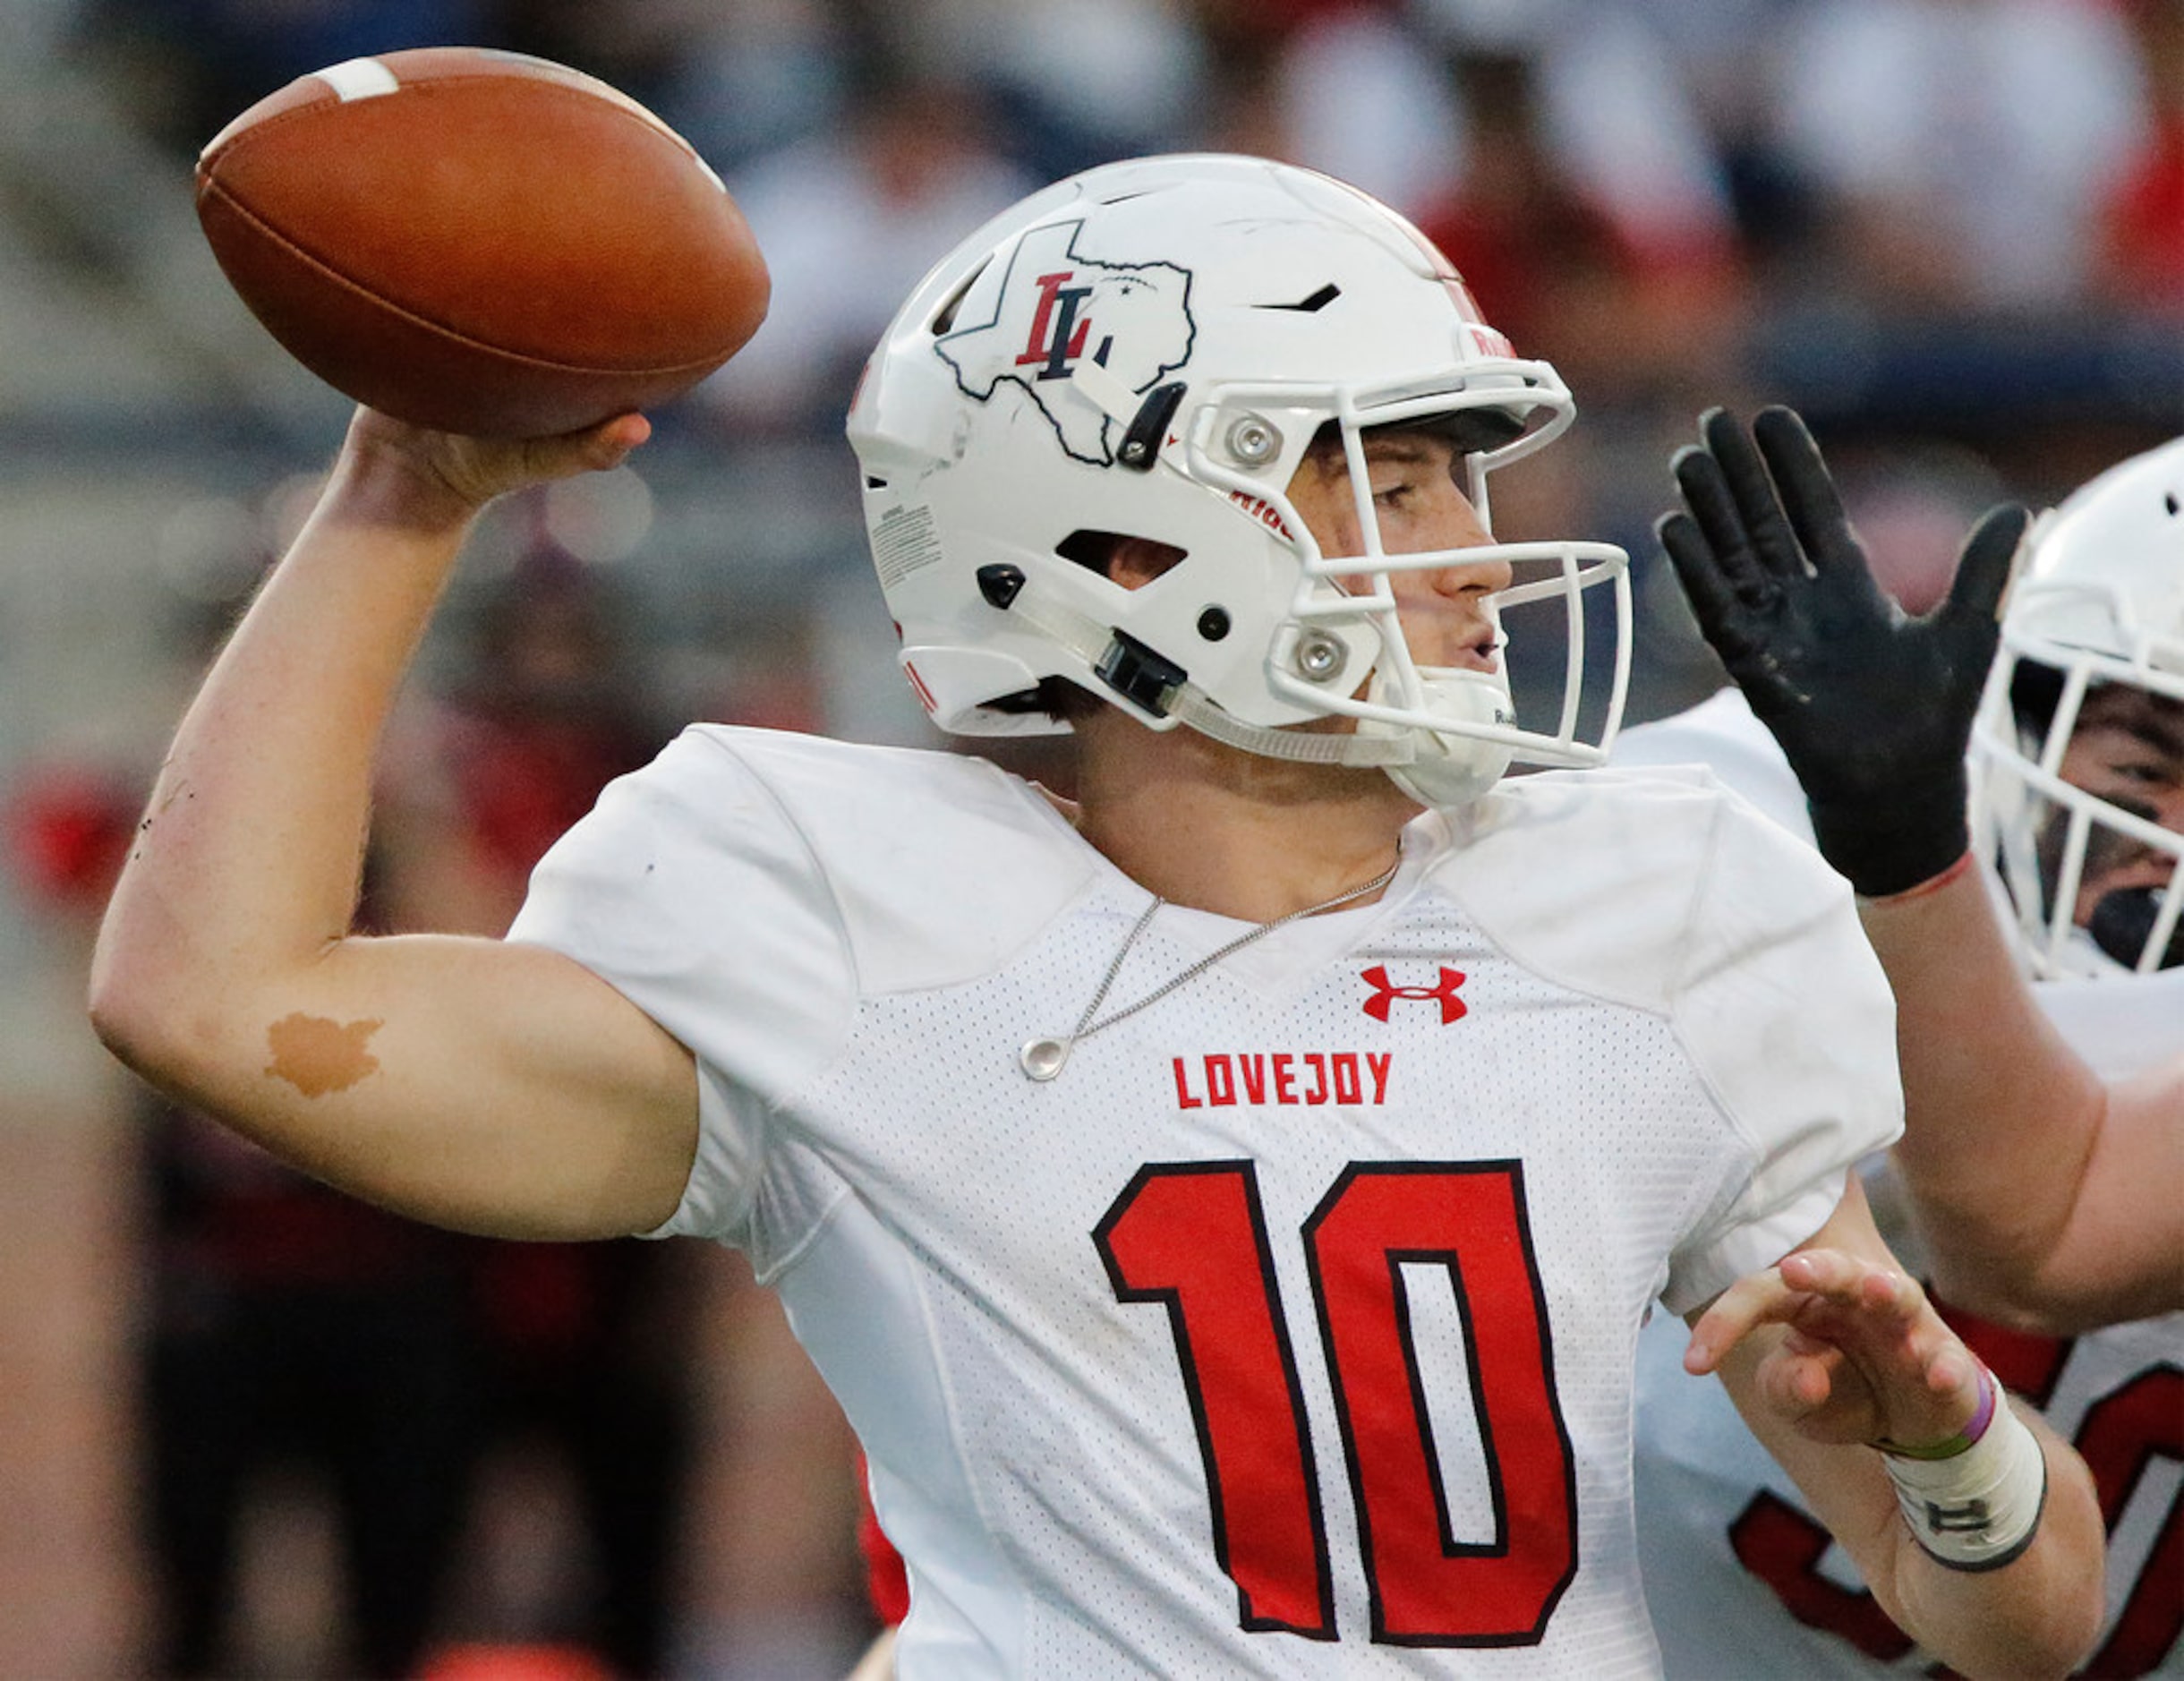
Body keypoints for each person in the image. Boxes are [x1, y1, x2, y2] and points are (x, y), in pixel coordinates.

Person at [89, 155, 2104, 1677]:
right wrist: (401, 496)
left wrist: (1951, 1457)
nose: (1474, 563)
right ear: (1124, 540)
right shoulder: (846, 919)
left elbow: (2020, 1618)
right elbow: (216, 999)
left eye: (1457, 489)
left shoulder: (1645, 901)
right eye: (1384, 487)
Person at [1617, 415, 2183, 1676]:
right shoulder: (1744, 820)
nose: (2166, 840)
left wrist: (1899, 854)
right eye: (2147, 761)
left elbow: (2039, 1215)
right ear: (2015, 730)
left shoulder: (1871, 847)